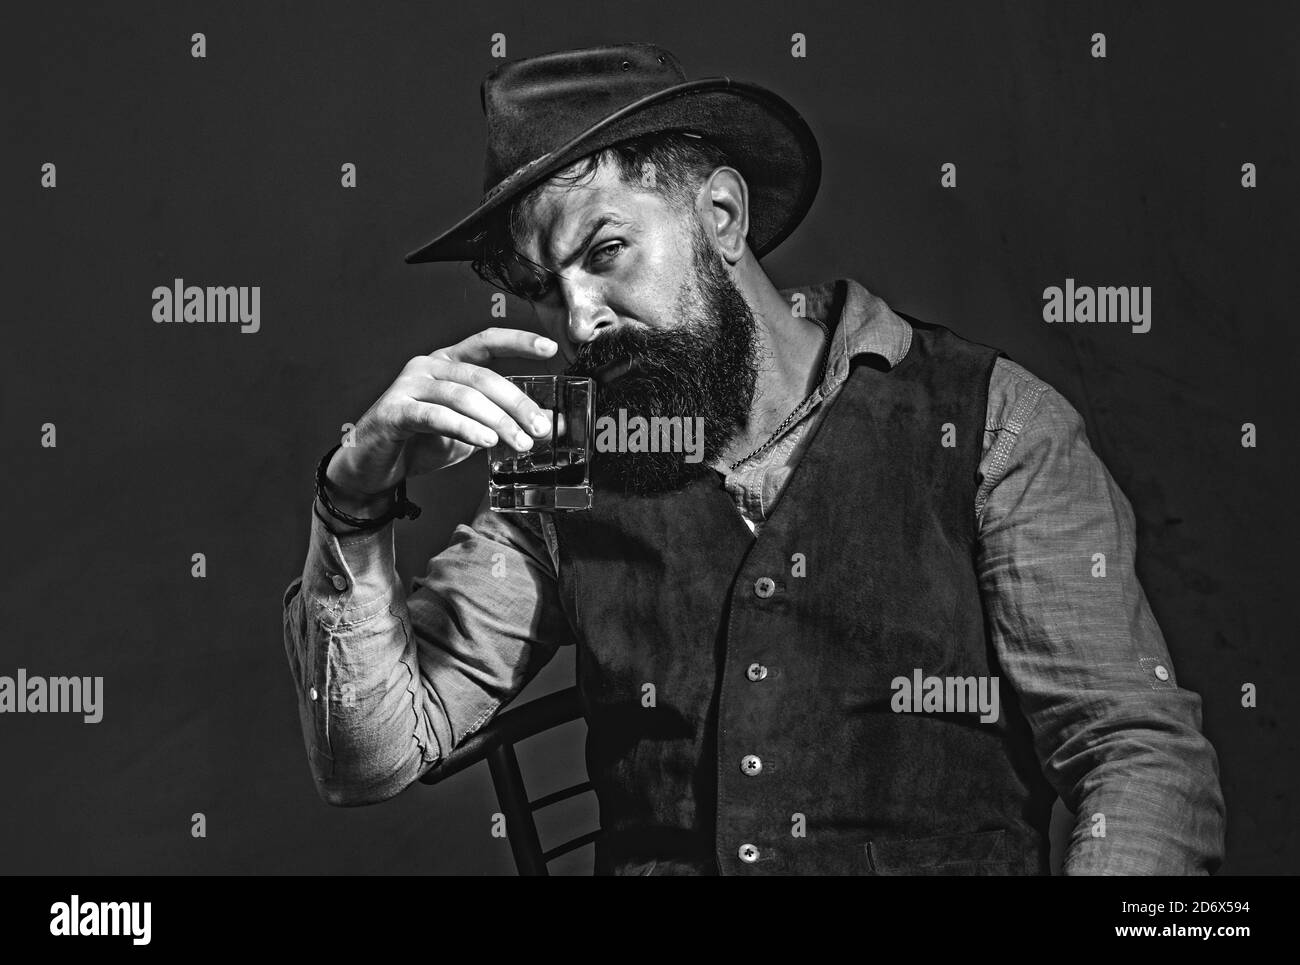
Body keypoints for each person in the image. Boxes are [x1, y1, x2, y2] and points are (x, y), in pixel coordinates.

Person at [281, 42, 1225, 875]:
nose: (578, 321)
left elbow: (1135, 754)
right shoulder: (562, 470)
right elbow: (368, 757)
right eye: (544, 288)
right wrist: (354, 496)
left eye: (605, 251)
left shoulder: (992, 424)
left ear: (722, 216)